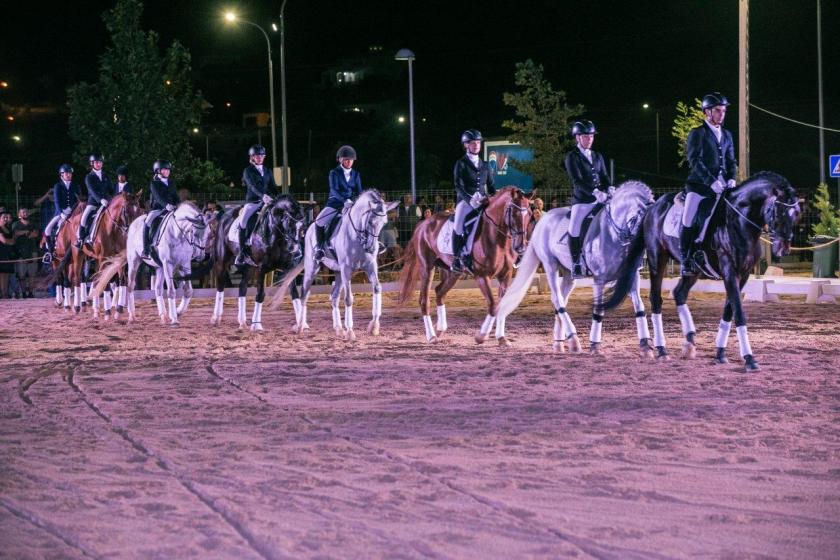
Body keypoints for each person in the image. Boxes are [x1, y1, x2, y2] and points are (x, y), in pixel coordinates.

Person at [679, 92, 738, 276]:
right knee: (688, 218)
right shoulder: (698, 133)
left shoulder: (727, 135)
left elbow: (731, 160)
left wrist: (732, 177)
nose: (722, 114)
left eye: (723, 111)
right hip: (699, 186)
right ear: (707, 112)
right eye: (718, 111)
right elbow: (695, 160)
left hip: (723, 187)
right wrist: (711, 181)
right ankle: (686, 259)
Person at [564, 120, 611, 278]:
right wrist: (594, 192)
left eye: (591, 136)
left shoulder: (597, 155)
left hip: (601, 198)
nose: (589, 139)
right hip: (582, 200)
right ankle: (576, 263)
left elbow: (604, 176)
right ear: (577, 137)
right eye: (585, 136)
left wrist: (609, 187)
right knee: (574, 228)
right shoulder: (572, 157)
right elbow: (577, 180)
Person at [452, 129, 496, 272]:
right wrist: (469, 200)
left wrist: (493, 198)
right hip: (466, 202)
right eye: (472, 143)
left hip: (483, 201)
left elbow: (491, 186)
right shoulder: (461, 163)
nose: (476, 145)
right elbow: (458, 186)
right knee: (458, 226)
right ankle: (457, 259)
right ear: (466, 145)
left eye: (478, 142)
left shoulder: (485, 165)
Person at [313, 145, 362, 261]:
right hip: (335, 203)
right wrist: (344, 201)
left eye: (351, 160)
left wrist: (357, 202)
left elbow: (360, 191)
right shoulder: (334, 173)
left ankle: (371, 244)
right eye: (346, 160)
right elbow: (333, 190)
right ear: (340, 160)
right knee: (319, 221)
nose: (349, 162)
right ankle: (320, 248)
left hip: (351, 205)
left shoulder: (356, 174)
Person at [235, 144, 279, 266]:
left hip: (268, 201)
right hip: (253, 202)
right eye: (256, 155)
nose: (259, 157)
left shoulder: (267, 171)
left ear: (264, 157)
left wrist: (280, 197)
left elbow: (273, 187)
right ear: (252, 157)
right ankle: (242, 252)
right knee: (243, 222)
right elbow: (252, 186)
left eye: (261, 155)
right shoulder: (248, 171)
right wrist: (262, 196)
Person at [43, 164, 80, 261]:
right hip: (61, 213)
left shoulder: (75, 185)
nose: (68, 175)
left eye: (70, 173)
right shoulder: (58, 186)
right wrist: (61, 213)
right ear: (61, 175)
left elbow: (78, 199)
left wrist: (74, 209)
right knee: (47, 230)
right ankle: (50, 252)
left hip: (73, 212)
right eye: (66, 173)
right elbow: (57, 201)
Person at [142, 160, 179, 258]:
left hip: (172, 208)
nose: (167, 172)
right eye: (164, 170)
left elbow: (175, 195)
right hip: (158, 209)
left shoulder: (171, 182)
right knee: (147, 222)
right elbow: (158, 197)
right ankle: (145, 249)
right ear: (158, 171)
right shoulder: (154, 183)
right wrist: (166, 205)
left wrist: (179, 204)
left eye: (168, 170)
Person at [76, 154, 114, 248]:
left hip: (106, 203)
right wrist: (100, 200)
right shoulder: (89, 177)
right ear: (92, 163)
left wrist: (115, 197)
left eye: (100, 162)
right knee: (84, 218)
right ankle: (81, 239)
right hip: (93, 203)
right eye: (96, 162)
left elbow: (111, 189)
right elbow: (92, 191)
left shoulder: (105, 176)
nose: (99, 164)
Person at [12, 208, 39, 297]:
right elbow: (15, 234)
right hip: (20, 252)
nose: (25, 213)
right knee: (21, 275)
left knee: (32, 274)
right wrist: (26, 232)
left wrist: (22, 233)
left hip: (32, 251)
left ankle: (31, 293)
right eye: (23, 212)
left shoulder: (33, 223)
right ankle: (23, 293)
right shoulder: (16, 224)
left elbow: (35, 234)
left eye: (26, 212)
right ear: (19, 215)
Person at [0, 211, 14, 298]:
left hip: (7, 253)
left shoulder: (8, 228)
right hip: (0, 253)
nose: (5, 219)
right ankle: (2, 293)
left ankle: (5, 293)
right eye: (3, 217)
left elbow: (12, 241)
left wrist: (9, 242)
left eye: (6, 217)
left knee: (7, 273)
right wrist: (10, 242)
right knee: (1, 274)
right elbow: (4, 241)